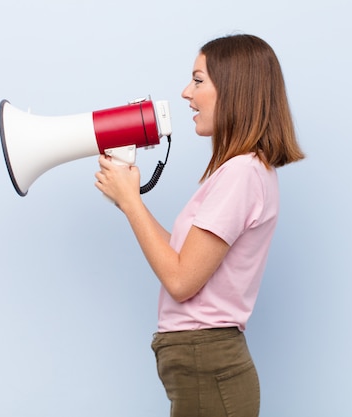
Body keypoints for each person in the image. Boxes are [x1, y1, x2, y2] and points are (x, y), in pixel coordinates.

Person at [94, 33, 304, 417]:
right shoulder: (241, 171)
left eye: (199, 80)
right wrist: (129, 205)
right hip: (202, 362)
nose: (186, 93)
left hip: (207, 361)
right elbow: (181, 257)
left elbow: (181, 281)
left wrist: (131, 200)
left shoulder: (241, 173)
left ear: (235, 89)